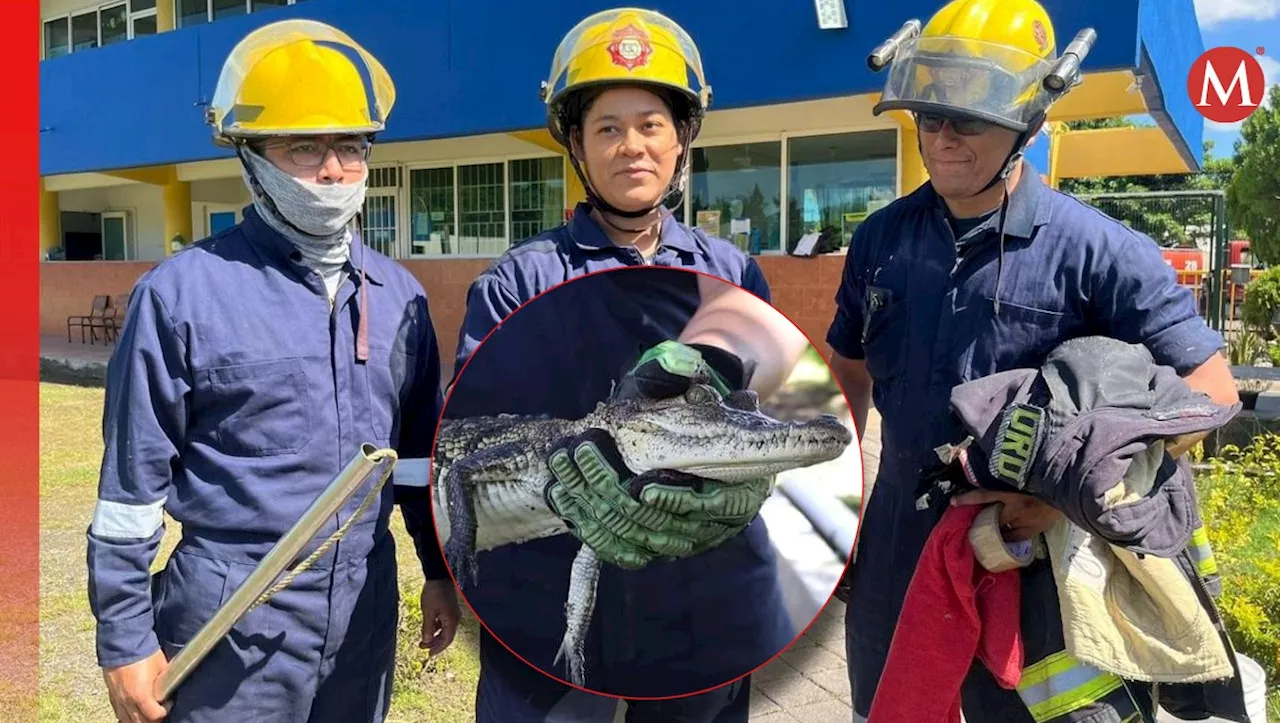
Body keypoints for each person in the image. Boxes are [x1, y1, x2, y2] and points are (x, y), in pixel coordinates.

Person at [827, 1, 1244, 721]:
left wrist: (1061, 496)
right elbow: (850, 372)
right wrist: (838, 502)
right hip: (894, 549)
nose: (943, 136)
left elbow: (1209, 390)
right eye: (931, 114)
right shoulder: (880, 242)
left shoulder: (1100, 254)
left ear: (1030, 123)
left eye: (969, 118)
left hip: (1033, 562)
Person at [86, 19, 458, 723]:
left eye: (351, 146)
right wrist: (125, 640)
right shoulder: (180, 295)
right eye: (303, 146)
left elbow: (416, 462)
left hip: (362, 612)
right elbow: (128, 496)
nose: (331, 169)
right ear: (250, 157)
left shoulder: (399, 297)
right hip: (231, 622)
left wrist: (436, 572)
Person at [443, 8, 803, 721]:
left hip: (706, 618)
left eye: (650, 124)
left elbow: (760, 411)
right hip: (551, 626)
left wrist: (746, 489)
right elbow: (472, 437)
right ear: (576, 143)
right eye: (607, 127)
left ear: (682, 139)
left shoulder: (730, 272)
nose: (631, 147)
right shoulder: (518, 283)